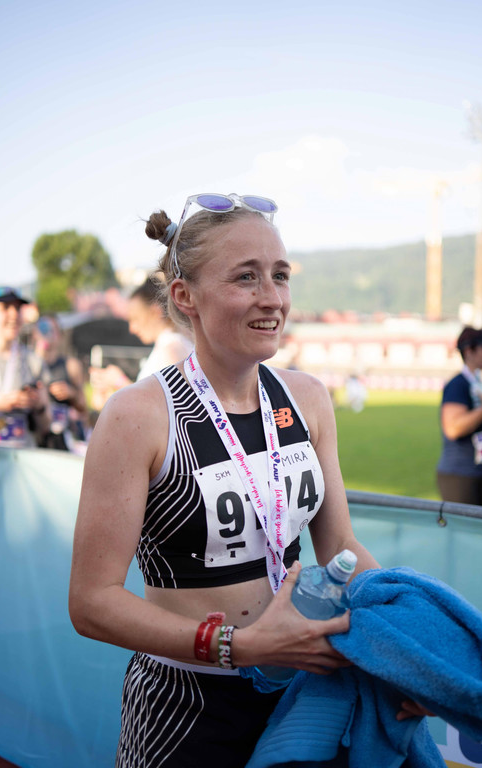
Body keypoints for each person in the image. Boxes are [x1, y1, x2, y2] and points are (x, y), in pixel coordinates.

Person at [69, 193, 430, 768]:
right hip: (186, 707)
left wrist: (406, 653)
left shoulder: (307, 397)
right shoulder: (137, 415)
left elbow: (340, 546)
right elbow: (92, 602)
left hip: (304, 691)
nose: (272, 298)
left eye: (280, 275)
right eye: (246, 277)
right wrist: (237, 647)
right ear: (185, 296)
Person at [89, 274, 193, 409]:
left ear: (155, 312)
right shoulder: (169, 346)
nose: (132, 329)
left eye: (135, 319)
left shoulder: (172, 349)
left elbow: (168, 407)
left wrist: (119, 381)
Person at [437, 326, 482, 506]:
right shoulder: (458, 385)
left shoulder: (476, 381)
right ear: (469, 351)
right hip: (460, 475)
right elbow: (453, 428)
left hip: (479, 472)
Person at [0, 287, 51, 448]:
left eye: (18, 308)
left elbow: (46, 426)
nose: (14, 315)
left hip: (21, 457)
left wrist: (39, 406)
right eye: (6, 307)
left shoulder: (34, 362)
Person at [33, 314, 89, 450]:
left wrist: (71, 394)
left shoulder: (71, 365)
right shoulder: (28, 364)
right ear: (35, 333)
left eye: (52, 330)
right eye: (43, 329)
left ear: (60, 335)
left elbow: (84, 408)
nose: (48, 335)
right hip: (35, 438)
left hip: (62, 440)